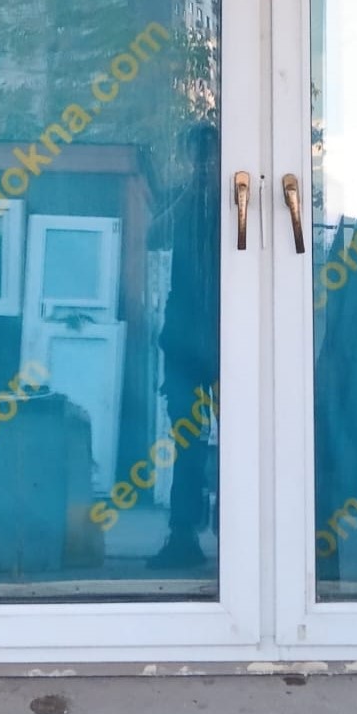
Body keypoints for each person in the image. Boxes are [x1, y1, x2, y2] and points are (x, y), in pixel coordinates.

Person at [148, 121, 220, 570]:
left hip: (232, 337)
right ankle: (183, 535)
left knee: (245, 438)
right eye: (199, 155)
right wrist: (193, 193)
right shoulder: (183, 198)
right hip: (183, 342)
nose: (205, 163)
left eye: (210, 154)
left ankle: (242, 534)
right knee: (188, 439)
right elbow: (152, 236)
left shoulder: (239, 196)